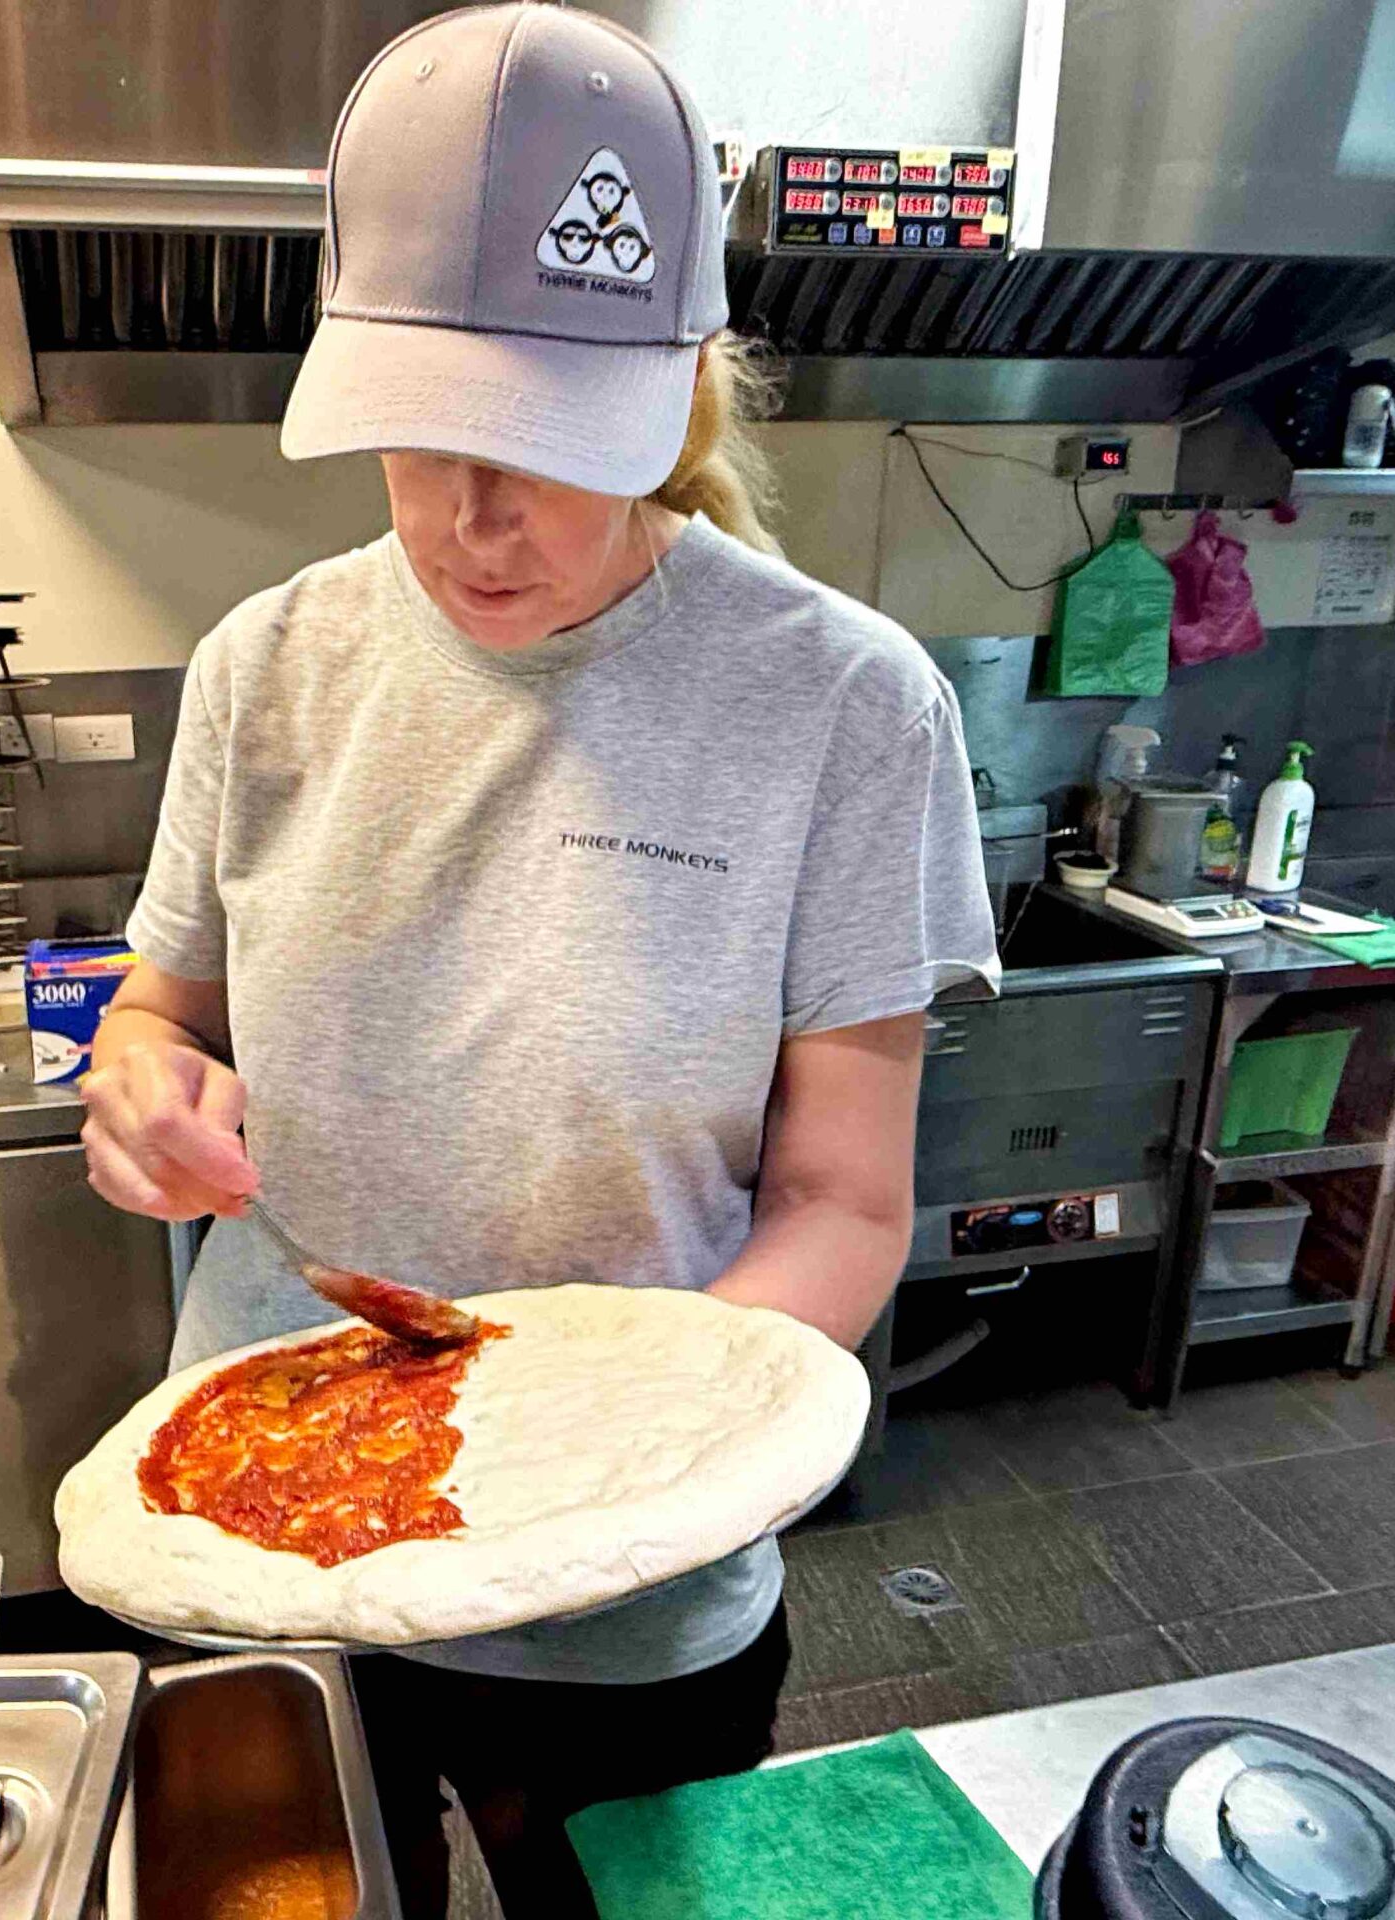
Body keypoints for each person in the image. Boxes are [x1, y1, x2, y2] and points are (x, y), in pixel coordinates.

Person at [76, 7, 997, 1914]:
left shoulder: (844, 708)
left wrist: (599, 1464)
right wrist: (139, 1082)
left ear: (677, 397)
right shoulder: (266, 664)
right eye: (427, 440)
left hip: (623, 1586)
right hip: (268, 1531)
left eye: (547, 447)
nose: (473, 525)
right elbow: (165, 1006)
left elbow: (840, 1200)